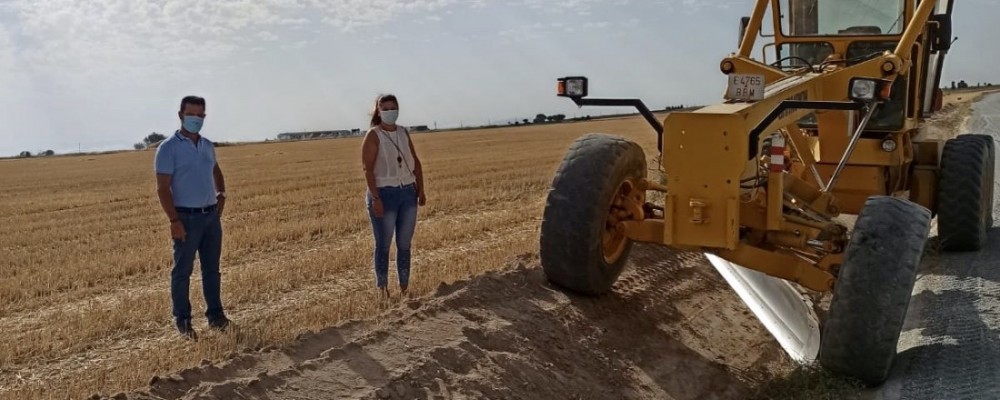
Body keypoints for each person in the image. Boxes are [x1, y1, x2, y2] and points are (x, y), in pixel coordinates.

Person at [154, 95, 231, 339]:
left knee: (212, 270)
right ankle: (183, 322)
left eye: (200, 115)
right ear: (180, 115)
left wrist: (221, 194)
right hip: (185, 218)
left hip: (210, 217)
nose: (196, 119)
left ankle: (216, 317)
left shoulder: (208, 145)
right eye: (191, 115)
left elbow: (216, 171)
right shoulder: (168, 149)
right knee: (182, 272)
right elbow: (162, 188)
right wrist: (174, 221)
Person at [361, 94, 427, 298]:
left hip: (407, 193)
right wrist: (376, 199)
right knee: (383, 244)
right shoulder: (373, 135)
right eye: (385, 108)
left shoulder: (403, 132)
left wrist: (421, 189)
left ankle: (404, 287)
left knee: (405, 244)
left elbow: (415, 161)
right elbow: (367, 169)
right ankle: (382, 289)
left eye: (393, 107)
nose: (390, 112)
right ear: (378, 112)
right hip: (384, 194)